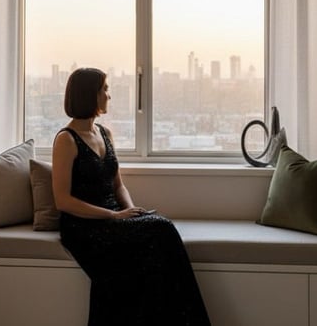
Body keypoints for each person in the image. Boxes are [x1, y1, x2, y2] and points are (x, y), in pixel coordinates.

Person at [52, 67, 211, 326]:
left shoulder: (105, 133)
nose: (109, 95)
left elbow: (118, 186)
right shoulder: (66, 140)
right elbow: (63, 200)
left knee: (160, 234)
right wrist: (114, 216)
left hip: (114, 219)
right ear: (88, 95)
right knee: (163, 230)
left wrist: (132, 213)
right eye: (104, 89)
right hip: (83, 227)